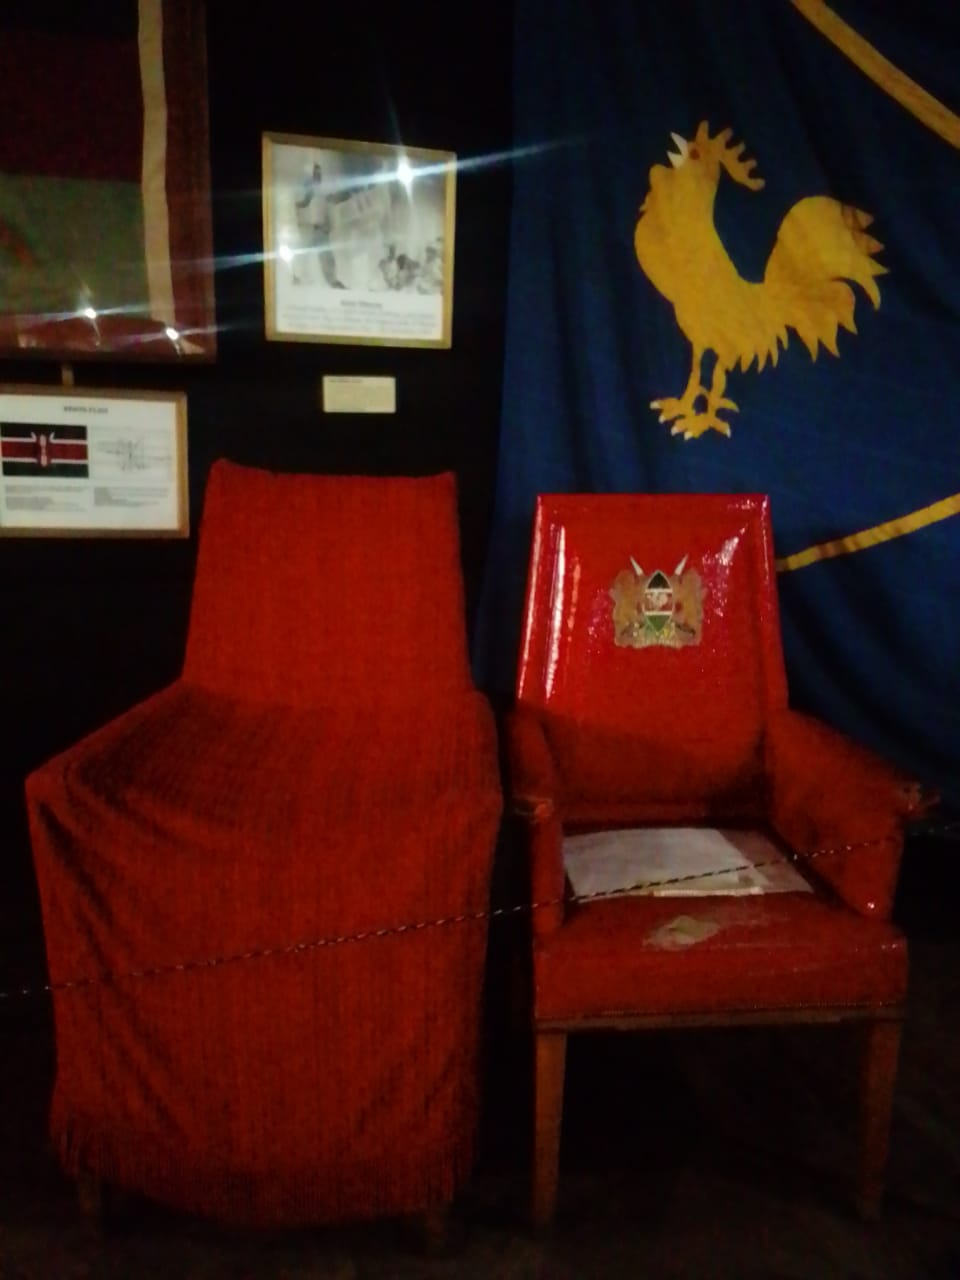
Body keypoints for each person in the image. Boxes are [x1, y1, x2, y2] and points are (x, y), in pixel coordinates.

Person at [294, 162, 345, 289]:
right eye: (316, 173)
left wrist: (329, 226)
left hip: (321, 229)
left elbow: (329, 207)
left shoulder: (323, 191)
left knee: (327, 255)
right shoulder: (304, 189)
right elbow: (301, 204)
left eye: (319, 173)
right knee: (302, 255)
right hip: (307, 228)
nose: (318, 175)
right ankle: (297, 277)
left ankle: (332, 280)